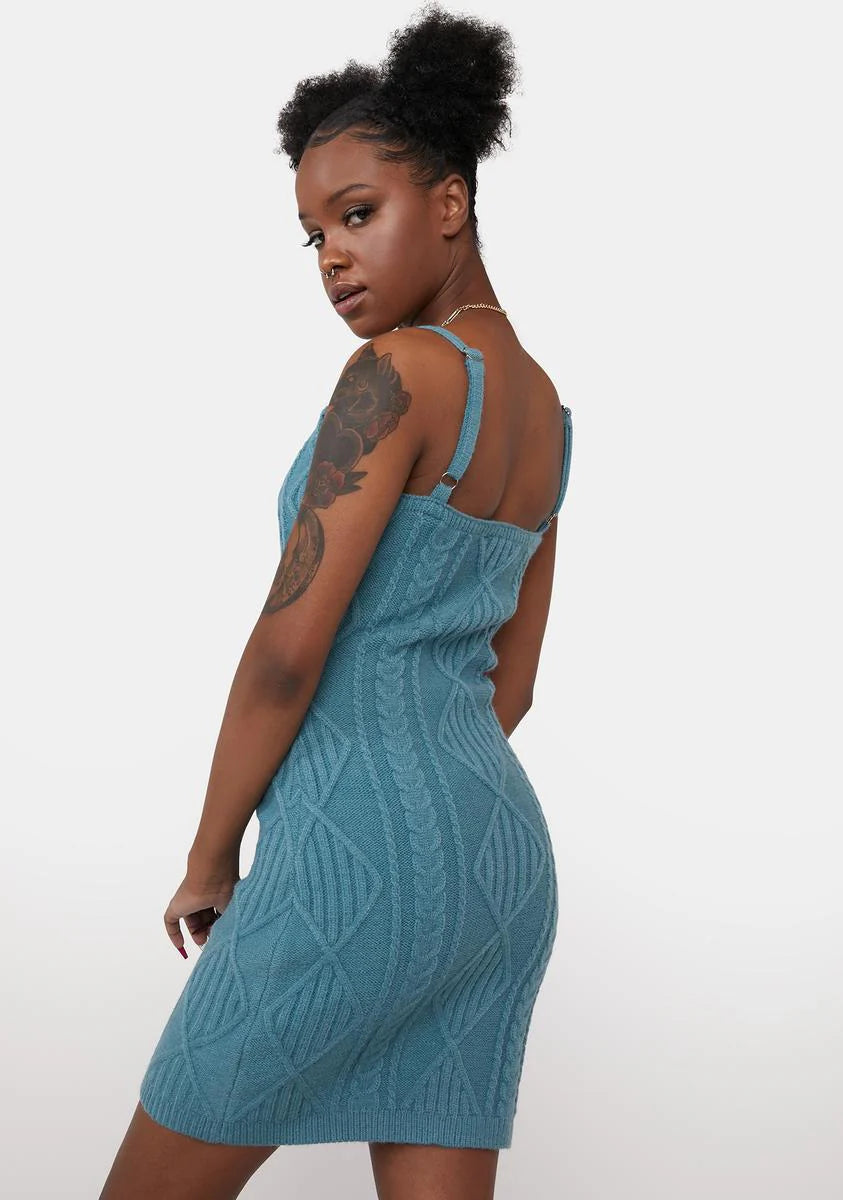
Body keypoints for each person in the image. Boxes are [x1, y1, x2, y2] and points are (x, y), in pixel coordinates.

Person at [100, 4, 573, 1197]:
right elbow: (512, 685)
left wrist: (214, 855)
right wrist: (428, 809)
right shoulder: (549, 415)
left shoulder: (397, 373)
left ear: (451, 203)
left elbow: (285, 655)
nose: (334, 259)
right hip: (497, 867)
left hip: (349, 852)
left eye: (359, 214)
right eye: (314, 235)